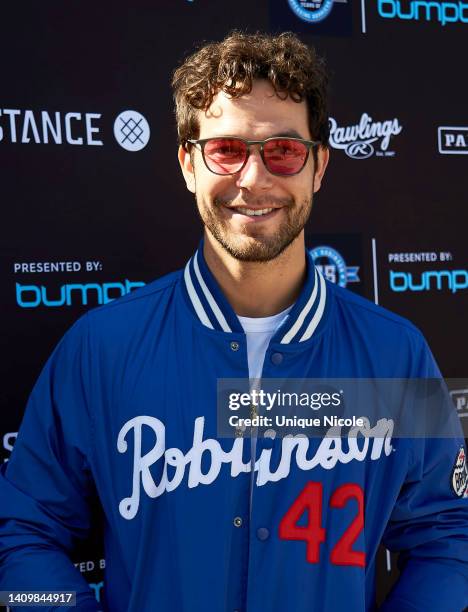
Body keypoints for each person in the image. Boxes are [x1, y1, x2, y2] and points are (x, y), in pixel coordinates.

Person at [0, 31, 467, 612]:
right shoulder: (102, 348)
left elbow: (450, 538)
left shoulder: (394, 353)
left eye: (284, 151)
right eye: (226, 150)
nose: (253, 178)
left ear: (318, 166)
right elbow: (21, 535)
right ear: (187, 163)